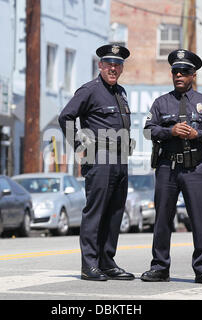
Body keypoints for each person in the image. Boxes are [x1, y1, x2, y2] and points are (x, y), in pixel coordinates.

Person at [140, 49, 202, 285]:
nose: (179, 75)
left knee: (199, 219)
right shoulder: (161, 102)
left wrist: (198, 134)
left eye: (184, 71)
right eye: (175, 71)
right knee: (163, 219)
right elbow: (148, 130)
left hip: (195, 168)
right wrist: (170, 131)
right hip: (167, 167)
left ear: (193, 75)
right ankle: (159, 267)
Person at [58, 44, 135, 281]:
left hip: (120, 158)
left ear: (121, 68)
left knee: (114, 212)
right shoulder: (89, 90)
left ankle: (107, 261)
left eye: (118, 64)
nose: (113, 68)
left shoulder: (120, 92)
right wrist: (80, 146)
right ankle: (89, 264)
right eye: (109, 64)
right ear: (100, 65)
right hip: (99, 157)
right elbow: (66, 116)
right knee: (96, 212)